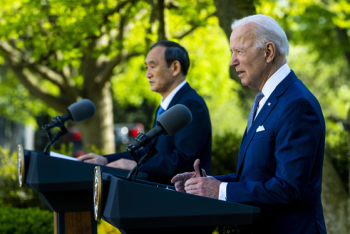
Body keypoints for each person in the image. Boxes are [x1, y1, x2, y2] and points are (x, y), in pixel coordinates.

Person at [171, 15, 327, 234]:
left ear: (268, 52)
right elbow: (257, 176)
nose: (232, 61)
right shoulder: (264, 100)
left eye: (239, 51)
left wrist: (220, 191)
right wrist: (207, 184)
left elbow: (288, 189)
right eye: (231, 52)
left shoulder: (297, 103)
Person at [78, 40, 212, 184]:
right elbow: (148, 153)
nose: (148, 74)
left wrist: (138, 166)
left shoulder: (189, 105)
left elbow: (186, 162)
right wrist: (105, 160)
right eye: (146, 67)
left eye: (153, 66)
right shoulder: (165, 106)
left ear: (175, 67)